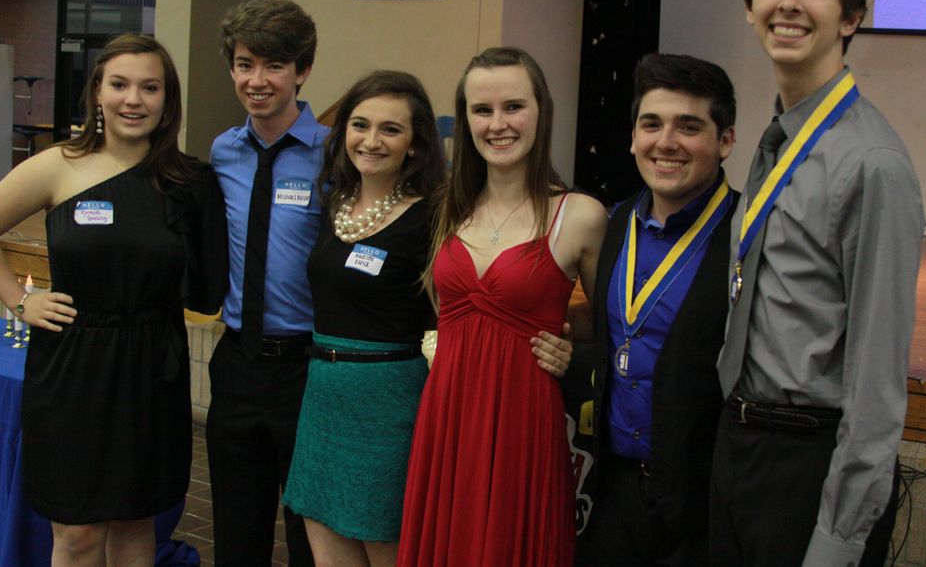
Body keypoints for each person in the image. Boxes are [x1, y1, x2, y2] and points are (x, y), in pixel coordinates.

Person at [710, 0, 925, 566]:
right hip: (740, 445)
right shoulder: (780, 138)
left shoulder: (872, 164)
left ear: (851, 17)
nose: (789, 2)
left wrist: (838, 539)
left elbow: (877, 384)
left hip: (807, 463)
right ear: (750, 7)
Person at [0, 33, 227, 566]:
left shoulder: (190, 181)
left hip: (152, 371)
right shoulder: (58, 166)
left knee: (136, 526)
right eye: (119, 84)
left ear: (167, 99)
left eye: (149, 87)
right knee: (77, 534)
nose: (133, 99)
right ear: (97, 92)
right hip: (73, 369)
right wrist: (20, 301)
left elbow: (209, 288)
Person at [397, 46, 608, 566]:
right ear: (465, 119)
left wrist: (567, 339)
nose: (498, 124)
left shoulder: (579, 215)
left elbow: (611, 326)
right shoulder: (448, 207)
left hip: (522, 419)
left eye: (513, 106)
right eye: (482, 110)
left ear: (541, 111)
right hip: (447, 414)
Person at [570, 53, 737, 566]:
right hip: (612, 490)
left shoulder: (750, 237)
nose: (666, 142)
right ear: (632, 137)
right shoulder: (614, 225)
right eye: (651, 124)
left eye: (689, 126)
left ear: (726, 140)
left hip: (702, 499)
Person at [281, 70, 444, 567]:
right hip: (323, 395)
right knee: (324, 541)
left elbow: (451, 315)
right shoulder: (336, 204)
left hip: (387, 405)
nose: (371, 141)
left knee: (385, 545)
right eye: (360, 125)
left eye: (390, 129)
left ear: (415, 144)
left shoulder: (432, 217)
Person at [207, 0, 326, 566]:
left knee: (310, 534)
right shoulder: (223, 151)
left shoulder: (336, 155)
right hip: (237, 362)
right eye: (244, 64)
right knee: (237, 531)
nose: (257, 80)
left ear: (302, 71)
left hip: (309, 368)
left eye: (274, 65)